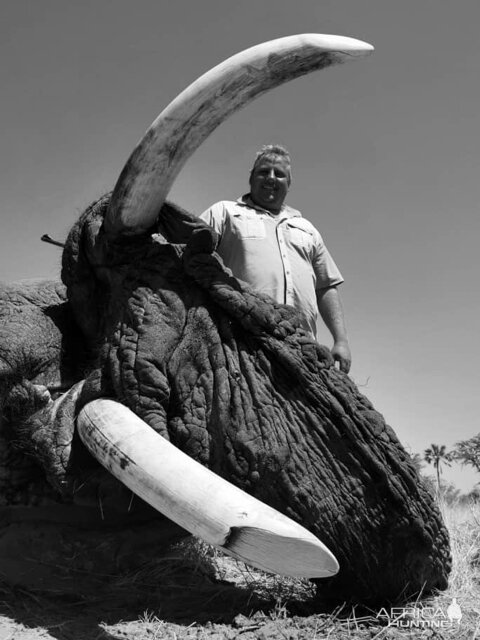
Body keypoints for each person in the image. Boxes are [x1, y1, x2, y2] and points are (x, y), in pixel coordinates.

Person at [200, 145, 352, 373]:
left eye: (279, 174)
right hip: (242, 341)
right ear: (251, 178)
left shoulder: (307, 228)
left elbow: (326, 286)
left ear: (288, 184)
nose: (271, 178)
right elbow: (189, 253)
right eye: (264, 172)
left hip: (304, 348)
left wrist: (341, 340)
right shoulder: (224, 212)